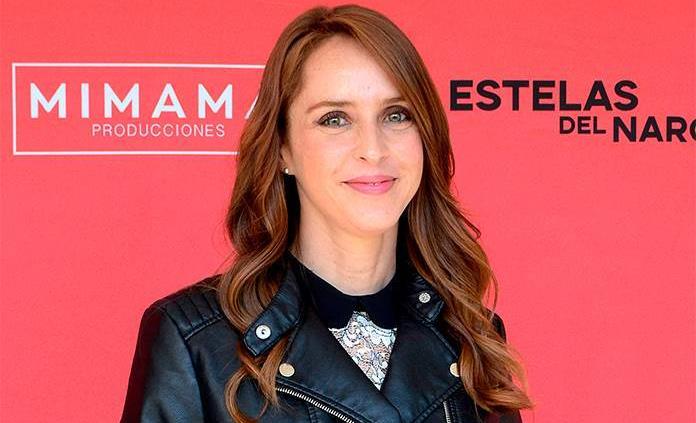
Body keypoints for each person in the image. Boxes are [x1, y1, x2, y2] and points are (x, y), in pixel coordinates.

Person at [121, 4, 534, 423]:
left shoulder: (472, 336)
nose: (372, 148)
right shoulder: (195, 342)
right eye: (335, 120)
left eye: (397, 115)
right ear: (283, 148)